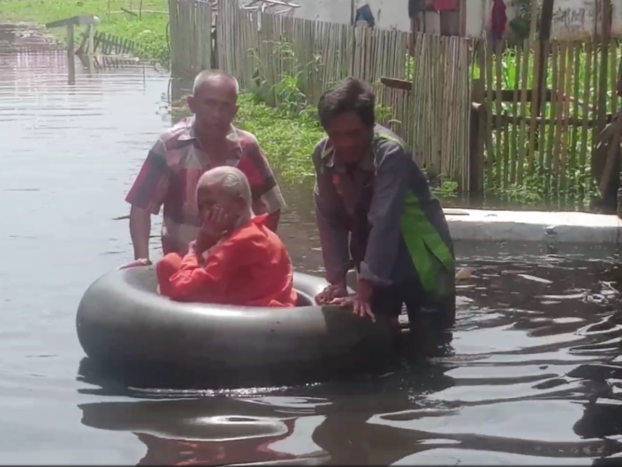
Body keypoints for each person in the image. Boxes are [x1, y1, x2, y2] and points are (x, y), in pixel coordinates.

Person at [312, 77, 456, 346]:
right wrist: (337, 281)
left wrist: (364, 289)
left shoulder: (390, 153)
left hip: (422, 259)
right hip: (377, 259)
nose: (345, 144)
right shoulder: (324, 155)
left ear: (370, 126)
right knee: (382, 342)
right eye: (336, 135)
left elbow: (385, 219)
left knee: (431, 348)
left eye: (354, 134)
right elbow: (329, 217)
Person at [123, 69, 286, 267]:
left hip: (234, 266)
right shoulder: (170, 146)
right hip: (183, 263)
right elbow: (141, 206)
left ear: (235, 111)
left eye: (225, 107)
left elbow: (271, 207)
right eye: (210, 104)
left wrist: (260, 249)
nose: (216, 114)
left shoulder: (247, 147)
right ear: (192, 104)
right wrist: (142, 257)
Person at [156, 166, 297, 307]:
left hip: (255, 323)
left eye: (211, 204)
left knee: (169, 265)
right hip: (268, 316)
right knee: (172, 262)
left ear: (238, 205)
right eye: (201, 207)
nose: (205, 214)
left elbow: (181, 288)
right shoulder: (260, 232)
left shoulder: (243, 241)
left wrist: (196, 248)